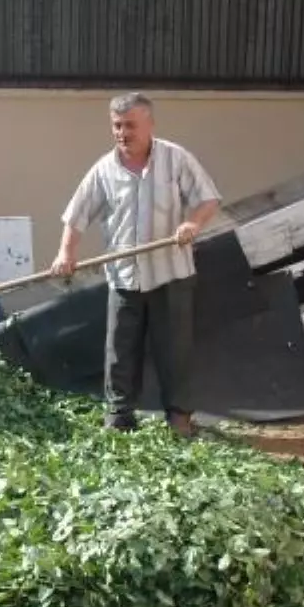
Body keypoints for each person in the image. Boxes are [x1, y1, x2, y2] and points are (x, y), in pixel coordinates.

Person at [51, 92, 221, 438]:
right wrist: (65, 253)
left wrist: (192, 224)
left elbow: (208, 198)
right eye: (116, 125)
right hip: (125, 277)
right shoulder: (104, 170)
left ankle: (179, 418)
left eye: (130, 125)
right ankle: (119, 417)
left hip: (171, 274)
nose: (122, 132)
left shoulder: (176, 159)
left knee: (175, 351)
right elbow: (77, 215)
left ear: (149, 124)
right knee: (120, 351)